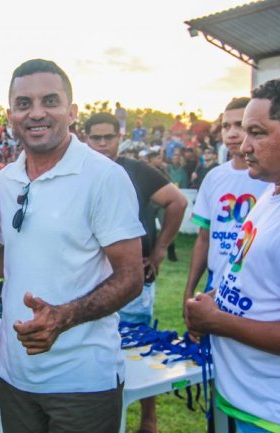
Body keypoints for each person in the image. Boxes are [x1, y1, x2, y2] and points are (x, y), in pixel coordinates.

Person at [0, 59, 144, 433]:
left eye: (50, 101)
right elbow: (13, 255)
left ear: (72, 112)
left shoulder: (104, 177)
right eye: (24, 103)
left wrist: (64, 316)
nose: (36, 113)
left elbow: (131, 277)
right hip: (15, 375)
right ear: (10, 115)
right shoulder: (5, 180)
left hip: (82, 381)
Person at [185, 76, 280, 433]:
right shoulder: (278, 188)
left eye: (257, 133)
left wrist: (218, 321)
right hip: (250, 402)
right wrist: (216, 298)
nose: (243, 144)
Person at [85, 112, 187, 433]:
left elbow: (177, 202)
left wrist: (159, 250)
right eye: (96, 138)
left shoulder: (137, 171)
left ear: (120, 138)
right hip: (90, 278)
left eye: (109, 137)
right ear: (85, 138)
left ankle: (148, 418)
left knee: (138, 348)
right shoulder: (80, 171)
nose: (103, 144)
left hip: (132, 277)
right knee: (95, 351)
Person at [183, 97, 269, 304]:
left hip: (257, 295)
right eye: (225, 126)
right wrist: (189, 290)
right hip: (215, 287)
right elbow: (204, 239)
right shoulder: (214, 177)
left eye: (240, 125)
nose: (231, 134)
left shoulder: (272, 179)